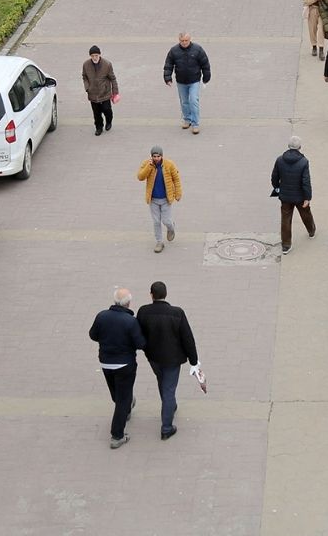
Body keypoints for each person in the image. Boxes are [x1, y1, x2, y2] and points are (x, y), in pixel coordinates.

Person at [136, 282, 200, 441]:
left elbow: (138, 333)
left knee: (162, 381)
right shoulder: (177, 313)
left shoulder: (143, 311)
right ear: (166, 294)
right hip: (173, 358)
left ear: (151, 294)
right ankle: (166, 427)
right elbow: (187, 339)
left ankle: (170, 405)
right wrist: (194, 361)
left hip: (153, 357)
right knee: (169, 388)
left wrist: (144, 348)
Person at [89, 288, 146, 449]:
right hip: (125, 364)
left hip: (106, 363)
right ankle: (117, 435)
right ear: (128, 303)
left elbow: (93, 335)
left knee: (116, 393)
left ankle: (126, 407)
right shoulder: (130, 321)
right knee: (122, 399)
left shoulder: (102, 316)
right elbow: (140, 343)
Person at [271, 136, 316, 255]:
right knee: (306, 214)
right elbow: (306, 181)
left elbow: (274, 177)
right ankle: (311, 230)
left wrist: (277, 188)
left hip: (285, 196)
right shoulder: (303, 161)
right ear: (299, 147)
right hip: (300, 196)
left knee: (285, 219)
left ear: (288, 146)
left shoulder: (280, 159)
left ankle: (286, 245)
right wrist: (307, 197)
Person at [163, 32, 211, 133]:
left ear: (190, 39)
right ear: (179, 40)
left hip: (194, 80)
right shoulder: (174, 51)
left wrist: (206, 77)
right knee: (184, 102)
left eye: (186, 40)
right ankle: (187, 119)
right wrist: (168, 78)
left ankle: (195, 123)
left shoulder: (198, 49)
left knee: (193, 101)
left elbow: (205, 64)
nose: (184, 43)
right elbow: (168, 64)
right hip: (181, 81)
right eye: (182, 41)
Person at [137, 146, 182, 252]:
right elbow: (140, 177)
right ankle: (159, 242)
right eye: (154, 156)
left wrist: (178, 193)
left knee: (166, 221)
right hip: (153, 199)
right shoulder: (147, 164)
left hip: (166, 199)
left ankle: (171, 228)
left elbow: (176, 179)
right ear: (151, 156)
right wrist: (149, 166)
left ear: (162, 156)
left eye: (158, 156)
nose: (156, 158)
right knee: (156, 221)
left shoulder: (169, 164)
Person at [82, 44, 119, 136]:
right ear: (90, 56)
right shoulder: (86, 65)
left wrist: (115, 92)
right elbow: (84, 76)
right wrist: (87, 87)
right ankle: (99, 127)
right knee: (96, 113)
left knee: (107, 109)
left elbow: (113, 78)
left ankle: (109, 121)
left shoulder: (107, 64)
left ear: (100, 55)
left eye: (96, 55)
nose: (94, 57)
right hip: (93, 93)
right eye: (92, 56)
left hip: (105, 93)